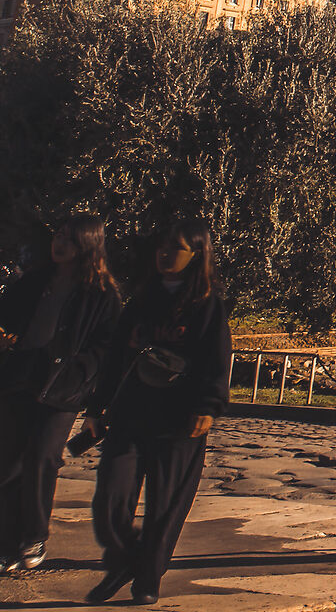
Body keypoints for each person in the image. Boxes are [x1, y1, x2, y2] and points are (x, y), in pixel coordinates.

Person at [88, 219, 233, 605]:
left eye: (176, 247)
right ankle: (124, 559)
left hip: (179, 421)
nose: (165, 254)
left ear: (196, 255)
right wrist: (97, 407)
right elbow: (115, 358)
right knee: (111, 496)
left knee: (165, 506)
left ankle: (147, 579)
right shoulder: (141, 301)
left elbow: (217, 361)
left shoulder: (207, 307)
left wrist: (208, 406)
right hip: (130, 414)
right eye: (162, 246)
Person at [0, 216, 122, 575]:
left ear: (87, 244)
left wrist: (80, 372)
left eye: (69, 238)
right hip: (20, 380)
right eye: (58, 236)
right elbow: (6, 317)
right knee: (8, 464)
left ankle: (34, 535)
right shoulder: (34, 281)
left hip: (63, 389)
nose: (60, 243)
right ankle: (6, 543)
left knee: (42, 457)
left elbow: (107, 347)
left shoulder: (102, 294)